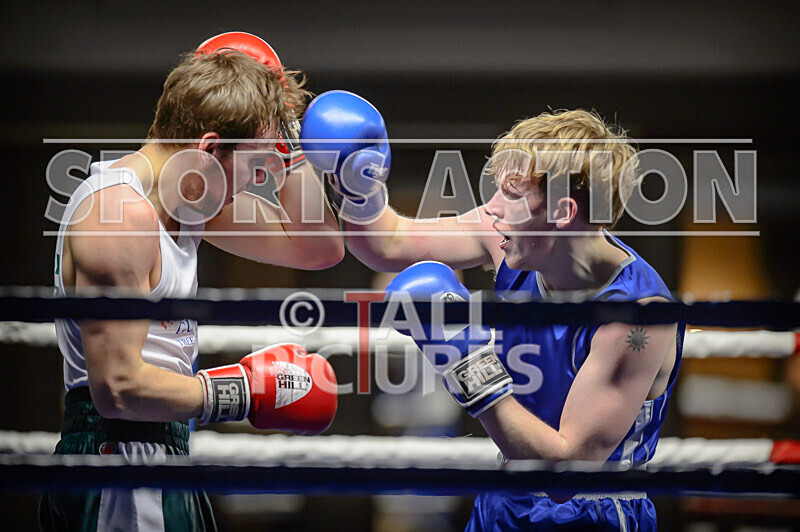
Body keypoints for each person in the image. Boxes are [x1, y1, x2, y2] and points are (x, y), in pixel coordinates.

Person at [301, 92, 683, 530]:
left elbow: (567, 472)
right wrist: (357, 184)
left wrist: (463, 359)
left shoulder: (636, 318)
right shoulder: (508, 236)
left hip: (593, 515)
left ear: (563, 211)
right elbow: (389, 242)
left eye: (512, 195)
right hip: (504, 501)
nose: (493, 208)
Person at [40, 33, 343, 531]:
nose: (254, 184)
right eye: (255, 166)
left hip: (165, 453)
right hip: (116, 462)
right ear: (208, 149)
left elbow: (319, 248)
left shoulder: (189, 203)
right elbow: (117, 389)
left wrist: (283, 130)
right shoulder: (118, 215)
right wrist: (243, 392)